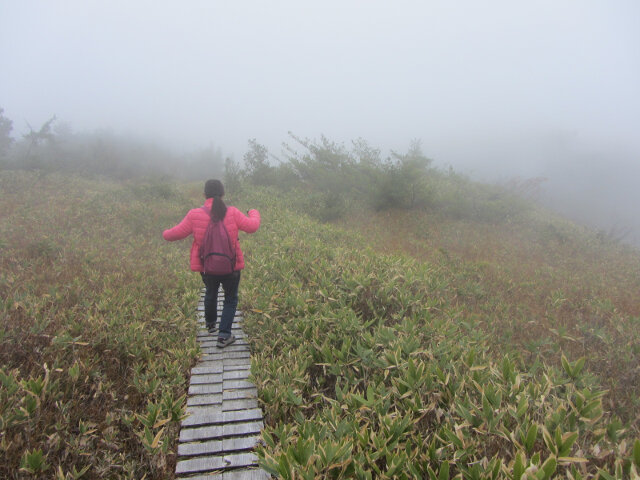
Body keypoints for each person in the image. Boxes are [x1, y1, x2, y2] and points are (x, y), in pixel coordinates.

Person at [163, 179, 261, 348]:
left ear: (204, 195)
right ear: (223, 194)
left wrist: (164, 233)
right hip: (231, 266)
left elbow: (174, 234)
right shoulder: (232, 212)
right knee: (230, 298)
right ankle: (224, 336)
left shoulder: (194, 214)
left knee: (211, 292)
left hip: (207, 266)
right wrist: (254, 212)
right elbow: (253, 226)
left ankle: (210, 324)